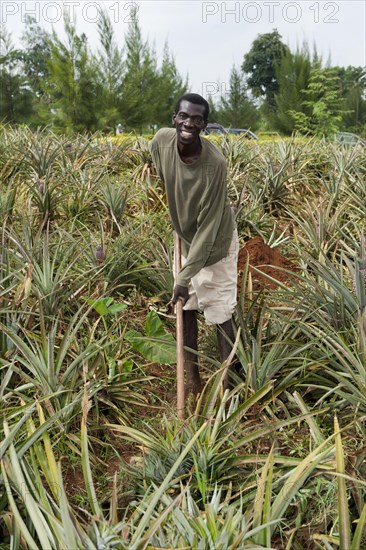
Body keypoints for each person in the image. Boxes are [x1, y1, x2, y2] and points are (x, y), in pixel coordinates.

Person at [149, 93, 239, 394]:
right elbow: (161, 168)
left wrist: (184, 276)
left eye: (197, 119)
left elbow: (209, 227)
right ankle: (192, 380)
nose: (189, 123)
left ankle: (229, 387)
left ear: (205, 125)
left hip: (216, 245)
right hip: (187, 238)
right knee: (185, 306)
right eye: (184, 117)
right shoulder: (162, 140)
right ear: (174, 118)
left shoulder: (215, 164)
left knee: (218, 309)